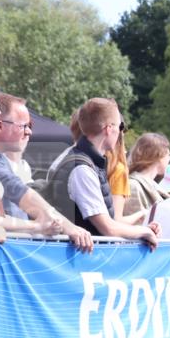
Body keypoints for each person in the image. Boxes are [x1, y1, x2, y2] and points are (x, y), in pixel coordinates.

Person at [0, 92, 93, 251]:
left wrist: (48, 223)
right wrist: (65, 226)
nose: (29, 132)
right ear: (0, 124)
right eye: (23, 125)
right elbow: (16, 189)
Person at [43, 98, 159, 249]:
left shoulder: (88, 163)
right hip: (77, 262)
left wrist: (144, 230)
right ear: (109, 128)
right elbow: (108, 228)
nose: (120, 131)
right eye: (120, 126)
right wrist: (145, 232)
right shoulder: (82, 168)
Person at [127, 132, 170, 220]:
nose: (169, 159)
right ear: (159, 155)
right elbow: (136, 226)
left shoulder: (149, 185)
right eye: (168, 155)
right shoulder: (133, 186)